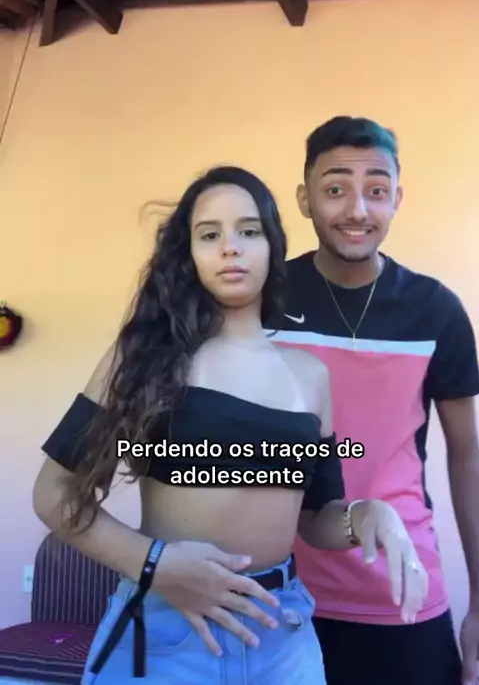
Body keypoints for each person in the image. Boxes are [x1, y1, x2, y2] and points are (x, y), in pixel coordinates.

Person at [32, 165, 427, 685]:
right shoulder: (145, 356)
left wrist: (369, 515)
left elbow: (316, 518)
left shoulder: (310, 377)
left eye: (248, 230)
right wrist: (154, 565)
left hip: (281, 633)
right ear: (190, 255)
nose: (230, 247)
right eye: (209, 235)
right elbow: (53, 492)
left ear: (272, 246)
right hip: (165, 629)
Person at [267, 116, 479, 685]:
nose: (358, 209)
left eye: (377, 190)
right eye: (336, 188)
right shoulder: (264, 300)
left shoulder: (436, 310)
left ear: (396, 200)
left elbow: (468, 458)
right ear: (305, 199)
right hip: (277, 593)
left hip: (402, 591)